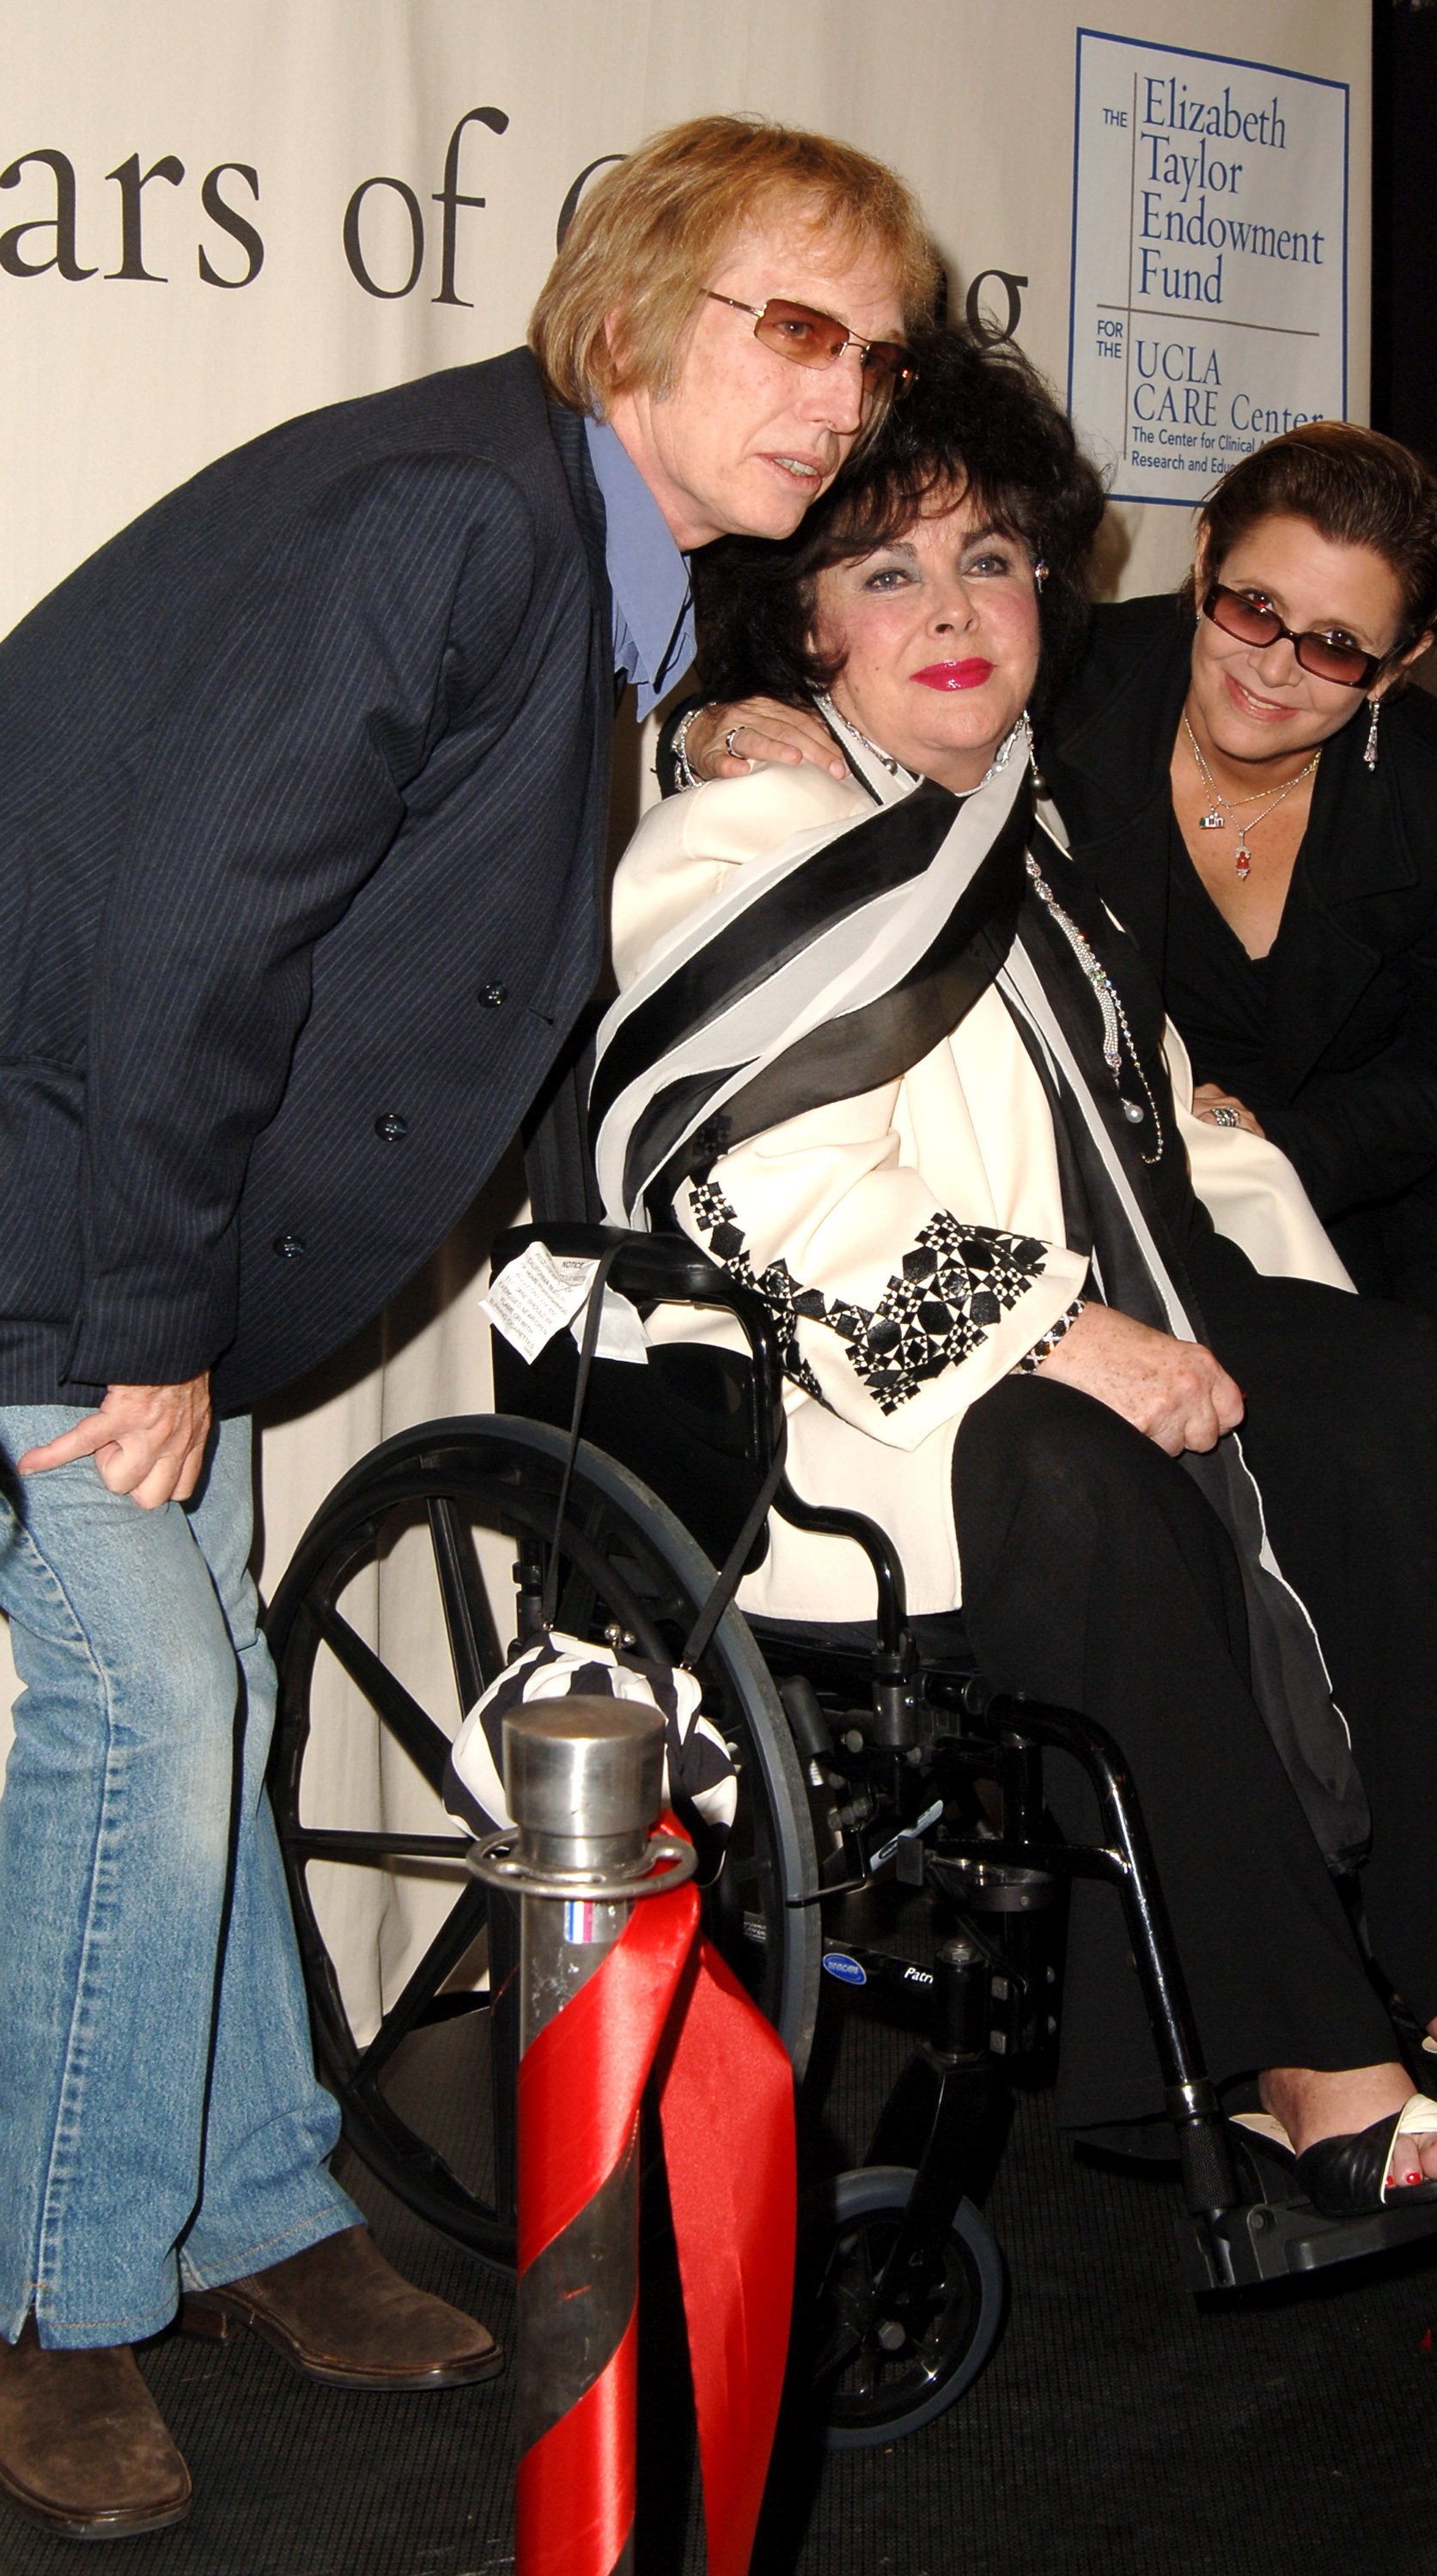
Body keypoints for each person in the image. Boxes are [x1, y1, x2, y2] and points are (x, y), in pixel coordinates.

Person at [0, 114, 933, 2542]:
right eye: (794, 328)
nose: (843, 397)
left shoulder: (569, 557)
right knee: (155, 1700)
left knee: (206, 1678)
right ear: (633, 311)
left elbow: (466, 951)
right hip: (33, 1179)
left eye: (878, 354)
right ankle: (51, 2302)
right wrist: (143, 1316)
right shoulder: (458, 520)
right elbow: (192, 932)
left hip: (82, 1183)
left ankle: (254, 2215)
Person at [596, 328, 1437, 2251]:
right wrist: (1066, 1329)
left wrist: (1255, 1276)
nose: (952, 612)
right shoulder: (745, 830)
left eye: (990, 564)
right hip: (872, 1383)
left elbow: (1163, 1122)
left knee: (1396, 1388)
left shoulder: (1022, 823)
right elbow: (755, 1180)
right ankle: (1297, 2046)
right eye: (888, 573)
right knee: (1086, 1469)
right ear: (811, 630)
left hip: (1096, 1291)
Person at [674, 422, 1437, 1546]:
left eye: (1334, 646)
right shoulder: (1064, 679)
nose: (1273, 667)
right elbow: (842, 681)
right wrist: (711, 725)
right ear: (1202, 557)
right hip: (1196, 1132)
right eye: (1251, 607)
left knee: (1427, 1406)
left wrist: (1276, 1139)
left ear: (1396, 665)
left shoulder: (1430, 790)